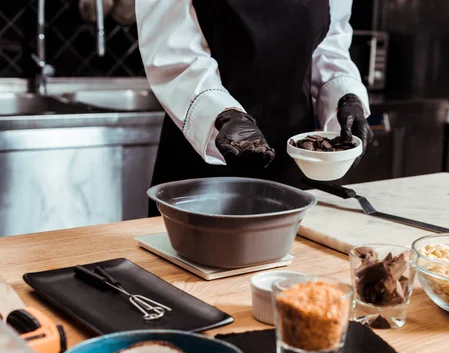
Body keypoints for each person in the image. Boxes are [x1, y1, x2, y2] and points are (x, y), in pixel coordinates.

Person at [136, 0, 373, 217]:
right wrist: (223, 115)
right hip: (206, 155)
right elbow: (173, 54)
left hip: (291, 161)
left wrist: (345, 94)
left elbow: (327, 44)